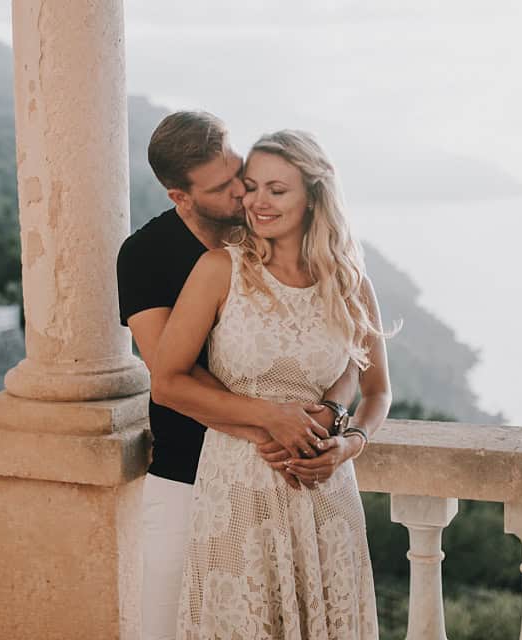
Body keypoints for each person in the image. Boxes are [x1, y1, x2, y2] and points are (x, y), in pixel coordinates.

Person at [117, 112, 359, 640]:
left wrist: (330, 420)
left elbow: (338, 350)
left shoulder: (266, 233)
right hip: (187, 473)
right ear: (181, 196)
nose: (243, 195)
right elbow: (171, 374)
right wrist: (267, 427)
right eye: (226, 186)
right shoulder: (146, 256)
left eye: (241, 175)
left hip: (289, 475)